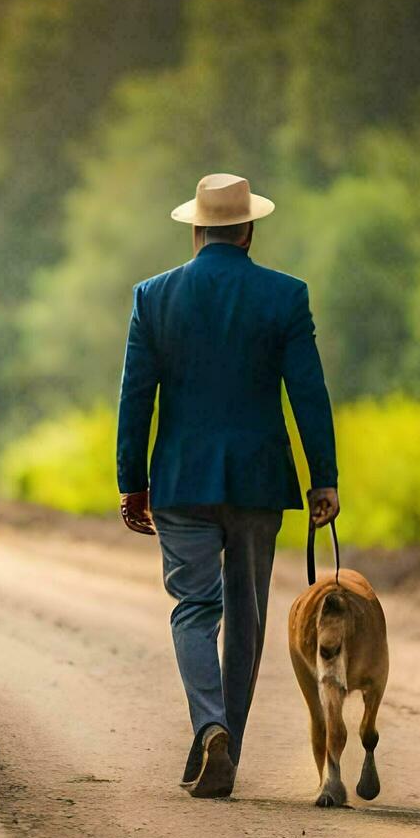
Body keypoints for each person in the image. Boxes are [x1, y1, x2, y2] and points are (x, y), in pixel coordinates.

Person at [116, 173, 339, 799]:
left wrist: (132, 482)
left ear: (195, 230)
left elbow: (136, 397)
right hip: (258, 480)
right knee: (248, 617)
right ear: (247, 230)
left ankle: (208, 726)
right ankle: (228, 748)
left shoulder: (152, 298)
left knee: (193, 608)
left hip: (182, 481)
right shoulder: (284, 296)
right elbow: (309, 393)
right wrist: (324, 476)